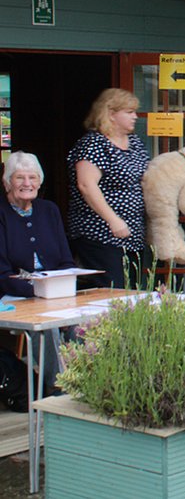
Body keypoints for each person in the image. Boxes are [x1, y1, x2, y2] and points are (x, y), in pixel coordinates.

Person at [0, 152, 77, 391]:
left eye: (32, 177)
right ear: (7, 182)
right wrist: (39, 291)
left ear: (40, 181)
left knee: (84, 322)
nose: (27, 184)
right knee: (49, 325)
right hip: (15, 295)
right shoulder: (1, 213)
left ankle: (85, 380)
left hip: (54, 292)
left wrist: (60, 290)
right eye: (19, 178)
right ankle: (60, 388)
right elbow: (2, 274)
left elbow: (65, 261)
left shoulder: (49, 210)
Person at [67, 88, 149, 289]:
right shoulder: (94, 144)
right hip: (101, 233)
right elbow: (86, 185)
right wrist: (113, 219)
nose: (135, 116)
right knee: (114, 289)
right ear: (111, 114)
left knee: (138, 290)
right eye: (129, 112)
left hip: (133, 232)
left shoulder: (135, 143)